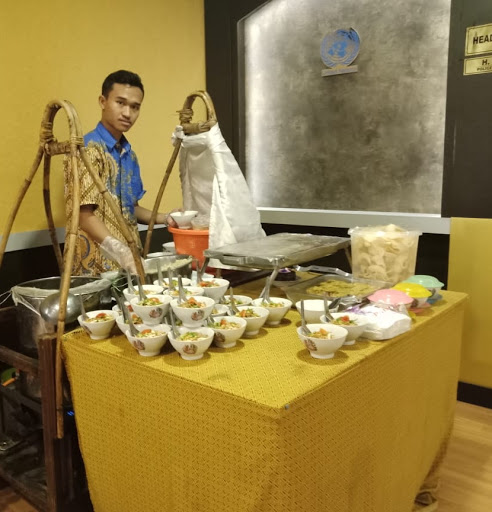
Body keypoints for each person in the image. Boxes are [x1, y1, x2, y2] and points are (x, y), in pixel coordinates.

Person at [64, 70, 178, 275]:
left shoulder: (128, 154)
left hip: (128, 265)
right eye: (120, 103)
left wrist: (166, 217)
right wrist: (119, 250)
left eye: (135, 107)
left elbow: (130, 208)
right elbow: (82, 214)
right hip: (94, 268)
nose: (127, 113)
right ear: (103, 101)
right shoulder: (87, 149)